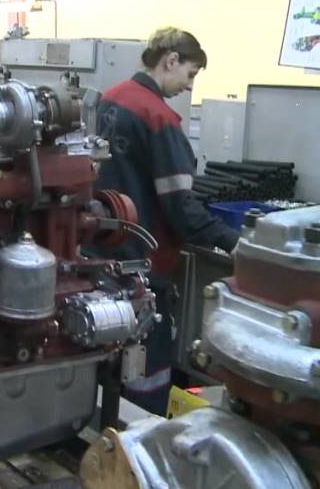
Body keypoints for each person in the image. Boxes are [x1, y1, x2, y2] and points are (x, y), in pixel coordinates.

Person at [93, 27, 239, 415]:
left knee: (103, 359)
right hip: (143, 265)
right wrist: (232, 241)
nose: (187, 86)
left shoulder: (111, 99)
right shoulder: (158, 117)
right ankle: (142, 436)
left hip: (99, 257)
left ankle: (101, 429)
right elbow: (181, 208)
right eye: (190, 75)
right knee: (146, 370)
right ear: (171, 61)